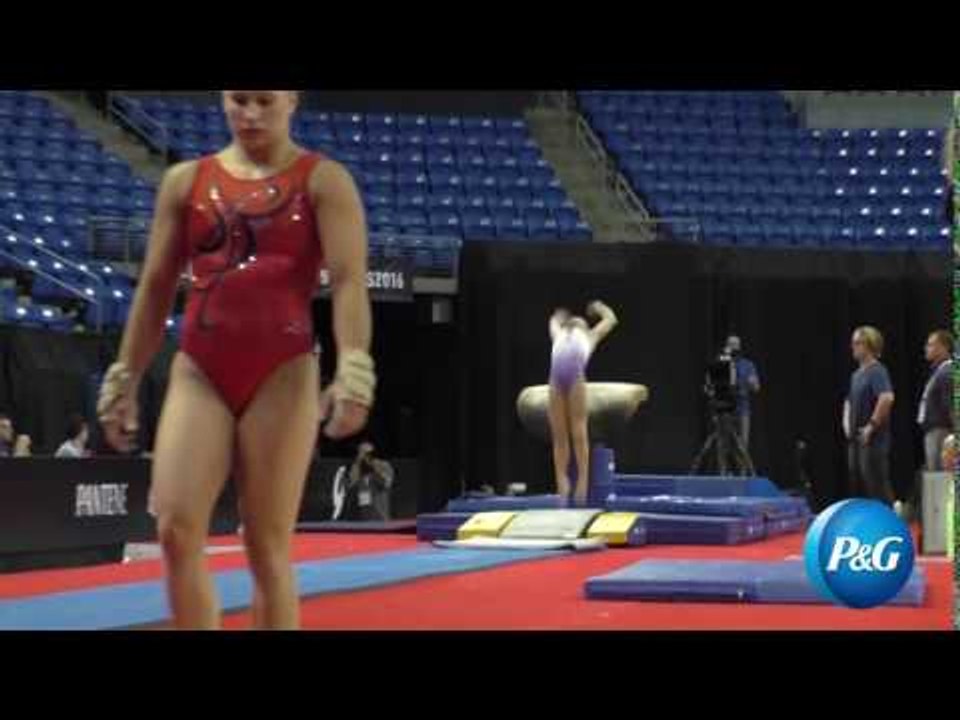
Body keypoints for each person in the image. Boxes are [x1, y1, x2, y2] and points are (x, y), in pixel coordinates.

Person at [97, 90, 375, 630]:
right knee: (176, 529)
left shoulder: (324, 181)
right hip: (201, 368)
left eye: (264, 101)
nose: (249, 114)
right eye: (238, 99)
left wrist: (355, 368)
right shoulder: (186, 182)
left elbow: (347, 282)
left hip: (283, 371)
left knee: (266, 544)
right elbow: (155, 288)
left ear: (292, 100)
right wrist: (124, 374)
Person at [547, 300, 618, 506]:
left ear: (585, 327)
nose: (576, 319)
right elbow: (553, 320)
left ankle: (582, 481)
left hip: (575, 378)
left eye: (580, 320)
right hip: (555, 380)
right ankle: (561, 481)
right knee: (559, 434)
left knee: (578, 432)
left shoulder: (590, 336)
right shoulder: (558, 335)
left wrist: (600, 307)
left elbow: (611, 320)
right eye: (573, 320)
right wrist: (559, 315)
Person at [842, 326, 896, 506]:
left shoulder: (877, 371)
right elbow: (849, 401)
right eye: (853, 343)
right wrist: (847, 426)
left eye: (858, 343)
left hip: (873, 441)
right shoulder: (856, 375)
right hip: (856, 441)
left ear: (870, 345)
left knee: (877, 486)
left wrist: (871, 427)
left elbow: (887, 398)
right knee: (863, 486)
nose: (853, 347)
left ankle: (890, 526)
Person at [917, 330, 954, 471]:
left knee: (940, 476)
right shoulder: (939, 372)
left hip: (941, 433)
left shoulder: (947, 372)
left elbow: (952, 406)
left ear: (944, 348)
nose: (926, 348)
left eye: (931, 344)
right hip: (935, 432)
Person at [332, 441, 395, 522]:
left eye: (366, 453)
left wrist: (372, 468)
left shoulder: (384, 465)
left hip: (380, 517)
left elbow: (386, 484)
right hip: (362, 518)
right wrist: (358, 466)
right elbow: (350, 487)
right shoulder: (356, 467)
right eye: (360, 452)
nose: (363, 456)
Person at [725, 335, 760, 448]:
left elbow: (756, 388)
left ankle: (742, 466)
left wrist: (752, 383)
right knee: (725, 446)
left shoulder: (748, 365)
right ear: (726, 346)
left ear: (739, 347)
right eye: (730, 344)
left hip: (742, 411)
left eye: (735, 344)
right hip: (726, 411)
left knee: (742, 447)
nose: (733, 347)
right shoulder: (722, 364)